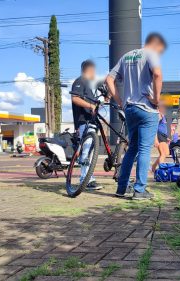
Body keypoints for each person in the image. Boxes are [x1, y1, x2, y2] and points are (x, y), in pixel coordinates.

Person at [106, 32, 167, 200]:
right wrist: (156, 98)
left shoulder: (127, 56)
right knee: (144, 150)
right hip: (147, 109)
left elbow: (109, 79)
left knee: (131, 149)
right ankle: (140, 190)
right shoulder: (151, 54)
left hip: (130, 109)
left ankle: (121, 188)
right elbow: (157, 74)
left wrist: (120, 101)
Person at [70, 59, 102, 191]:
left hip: (92, 122)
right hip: (84, 122)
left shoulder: (88, 85)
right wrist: (90, 105)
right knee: (87, 150)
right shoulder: (80, 81)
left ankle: (89, 177)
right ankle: (85, 179)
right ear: (89, 70)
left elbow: (93, 105)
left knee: (91, 152)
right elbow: (75, 98)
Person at [151, 102, 170, 172]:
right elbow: (155, 127)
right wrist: (155, 139)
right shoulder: (158, 115)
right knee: (163, 154)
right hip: (159, 136)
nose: (164, 108)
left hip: (163, 136)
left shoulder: (162, 115)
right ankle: (161, 170)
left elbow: (162, 127)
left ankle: (153, 166)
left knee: (166, 153)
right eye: (163, 107)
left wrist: (166, 137)